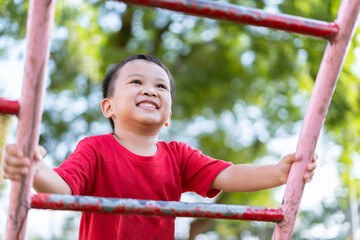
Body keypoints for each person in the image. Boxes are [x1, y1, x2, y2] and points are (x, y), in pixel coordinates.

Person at [1, 54, 317, 239]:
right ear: (108, 107)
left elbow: (228, 174)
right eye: (136, 82)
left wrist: (278, 173)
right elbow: (64, 188)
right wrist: (32, 167)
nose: (150, 90)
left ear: (168, 116)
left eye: (160, 86)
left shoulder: (177, 155)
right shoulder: (95, 148)